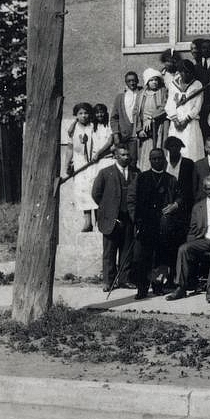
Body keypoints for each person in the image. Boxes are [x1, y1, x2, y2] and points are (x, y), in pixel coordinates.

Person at [166, 175, 210, 304]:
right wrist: (192, 244)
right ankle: (181, 287)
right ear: (204, 189)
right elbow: (193, 229)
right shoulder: (198, 207)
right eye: (209, 189)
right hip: (203, 239)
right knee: (183, 249)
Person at [128, 148, 183, 299]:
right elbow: (131, 200)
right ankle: (142, 288)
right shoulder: (141, 178)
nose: (157, 161)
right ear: (149, 160)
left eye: (160, 158)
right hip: (144, 224)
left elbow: (180, 198)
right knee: (142, 257)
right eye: (154, 158)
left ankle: (158, 286)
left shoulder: (171, 179)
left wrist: (174, 206)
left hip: (163, 225)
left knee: (161, 257)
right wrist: (136, 219)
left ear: (164, 160)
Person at [91, 144, 139, 292]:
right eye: (123, 155)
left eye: (127, 155)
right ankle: (108, 281)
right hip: (111, 219)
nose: (126, 157)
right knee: (109, 251)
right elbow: (96, 194)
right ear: (116, 156)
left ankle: (124, 279)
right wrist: (108, 209)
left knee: (127, 250)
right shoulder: (105, 173)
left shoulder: (136, 173)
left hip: (129, 218)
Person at [66, 102, 99, 232]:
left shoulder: (94, 127)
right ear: (76, 115)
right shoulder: (73, 129)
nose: (84, 116)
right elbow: (69, 148)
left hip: (94, 163)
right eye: (80, 113)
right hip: (79, 163)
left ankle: (99, 221)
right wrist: (67, 164)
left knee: (95, 189)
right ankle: (87, 222)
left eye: (86, 113)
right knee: (83, 191)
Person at [164, 59, 204, 162]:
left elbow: (197, 106)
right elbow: (170, 104)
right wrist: (176, 120)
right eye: (183, 72)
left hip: (190, 124)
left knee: (191, 151)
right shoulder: (173, 85)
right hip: (176, 124)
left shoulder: (197, 85)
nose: (186, 74)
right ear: (179, 72)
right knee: (175, 151)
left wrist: (186, 120)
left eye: (188, 72)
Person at [135, 68, 168, 172]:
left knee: (158, 151)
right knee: (146, 155)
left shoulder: (162, 91)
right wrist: (139, 129)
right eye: (151, 80)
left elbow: (164, 107)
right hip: (145, 131)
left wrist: (151, 117)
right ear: (147, 82)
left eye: (156, 80)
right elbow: (136, 112)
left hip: (159, 128)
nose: (154, 82)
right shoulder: (141, 94)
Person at [110, 71, 142, 165]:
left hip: (138, 135)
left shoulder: (142, 94)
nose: (132, 83)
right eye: (129, 81)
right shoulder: (120, 97)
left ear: (137, 81)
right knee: (124, 161)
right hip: (123, 136)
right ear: (126, 82)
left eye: (134, 80)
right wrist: (116, 134)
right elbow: (114, 118)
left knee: (136, 162)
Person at [164, 135, 195, 224]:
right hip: (166, 204)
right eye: (171, 147)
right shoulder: (164, 163)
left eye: (177, 147)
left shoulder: (188, 164)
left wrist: (177, 204)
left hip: (183, 204)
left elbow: (190, 187)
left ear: (180, 148)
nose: (174, 149)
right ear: (167, 148)